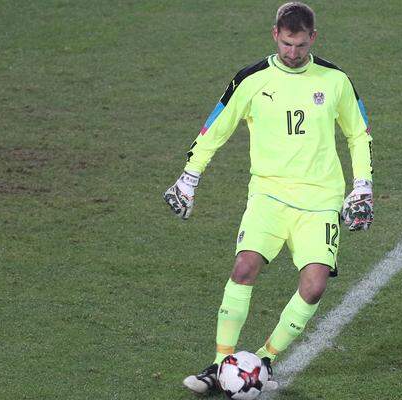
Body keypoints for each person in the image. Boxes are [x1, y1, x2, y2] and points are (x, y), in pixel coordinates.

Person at [163, 1, 373, 394]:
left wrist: (362, 185)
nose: (293, 54)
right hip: (269, 196)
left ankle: (265, 358)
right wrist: (189, 177)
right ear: (275, 34)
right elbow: (217, 128)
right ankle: (220, 363)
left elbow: (357, 133)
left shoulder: (335, 80)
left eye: (301, 46)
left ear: (313, 38)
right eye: (287, 44)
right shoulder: (251, 79)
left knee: (314, 286)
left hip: (320, 200)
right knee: (244, 267)